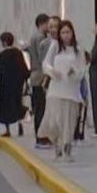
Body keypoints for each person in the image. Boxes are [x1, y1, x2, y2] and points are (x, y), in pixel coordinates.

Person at [39, 21, 89, 161]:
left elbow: (82, 69)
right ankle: (57, 147)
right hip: (55, 89)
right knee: (55, 121)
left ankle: (67, 149)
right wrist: (52, 71)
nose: (66, 36)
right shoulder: (55, 47)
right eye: (63, 33)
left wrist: (74, 73)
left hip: (71, 91)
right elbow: (46, 64)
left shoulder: (78, 49)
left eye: (68, 32)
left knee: (69, 122)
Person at [0, 32, 31, 138]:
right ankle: (20, 123)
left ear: (4, 42)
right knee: (17, 103)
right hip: (17, 84)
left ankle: (8, 129)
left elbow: (0, 70)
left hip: (5, 85)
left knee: (5, 107)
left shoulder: (2, 55)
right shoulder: (18, 53)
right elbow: (24, 68)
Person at [27, 14, 55, 146]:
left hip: (35, 74)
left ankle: (40, 134)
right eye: (48, 24)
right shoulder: (40, 38)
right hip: (40, 75)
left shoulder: (34, 37)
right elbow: (43, 57)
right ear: (42, 24)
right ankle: (41, 136)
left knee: (39, 106)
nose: (49, 28)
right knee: (41, 107)